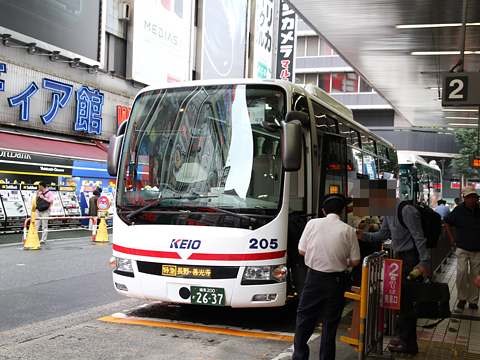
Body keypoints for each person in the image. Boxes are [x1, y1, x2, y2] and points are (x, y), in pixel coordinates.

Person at [356, 198, 430, 354]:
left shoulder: (406, 210)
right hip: (400, 258)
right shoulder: (388, 211)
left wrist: (424, 262)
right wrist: (364, 236)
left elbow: (419, 237)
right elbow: (383, 233)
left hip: (412, 259)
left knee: (407, 300)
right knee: (402, 300)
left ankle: (409, 343)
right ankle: (405, 338)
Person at [292, 194, 360, 360]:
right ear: (342, 211)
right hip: (335, 282)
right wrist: (342, 260)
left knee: (304, 319)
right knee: (330, 323)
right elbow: (356, 261)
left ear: (323, 211)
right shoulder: (349, 230)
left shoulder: (312, 223)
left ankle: (299, 356)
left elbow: (301, 251)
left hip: (314, 279)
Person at [444, 185, 480, 310]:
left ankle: (473, 300)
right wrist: (451, 238)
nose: (471, 199)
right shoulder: (459, 210)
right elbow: (447, 221)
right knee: (462, 272)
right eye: (468, 197)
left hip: (477, 247)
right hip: (462, 246)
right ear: (464, 197)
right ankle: (462, 298)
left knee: (475, 275)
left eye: (473, 196)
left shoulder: (479, 209)